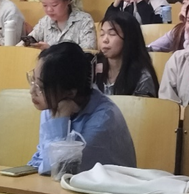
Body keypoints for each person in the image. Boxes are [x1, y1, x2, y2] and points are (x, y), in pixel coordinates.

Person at [27, 43, 136, 175]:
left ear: (70, 92)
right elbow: (39, 159)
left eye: (41, 87)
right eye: (33, 80)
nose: (32, 91)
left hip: (110, 187)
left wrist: (60, 119)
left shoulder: (103, 119)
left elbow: (56, 169)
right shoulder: (52, 106)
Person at [94, 11, 159, 97]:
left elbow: (144, 105)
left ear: (128, 38)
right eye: (102, 34)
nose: (105, 40)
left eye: (112, 34)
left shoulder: (142, 77)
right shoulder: (94, 66)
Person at [24, 0, 96, 50]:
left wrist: (51, 50)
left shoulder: (84, 20)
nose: (49, 10)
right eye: (45, 5)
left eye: (54, 5)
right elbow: (29, 40)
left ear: (67, 0)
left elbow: (88, 53)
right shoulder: (45, 22)